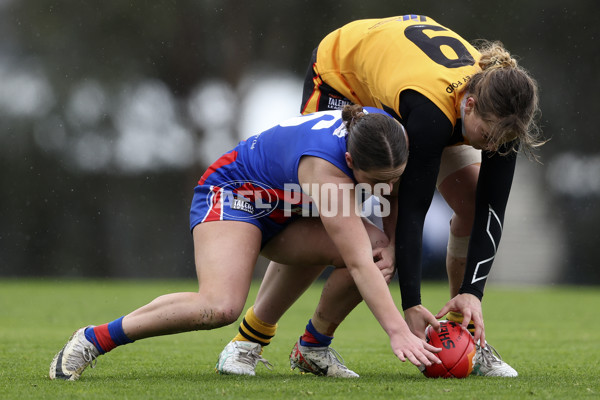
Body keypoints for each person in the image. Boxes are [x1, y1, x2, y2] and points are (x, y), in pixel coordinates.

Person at [216, 15, 544, 378]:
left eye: (502, 140)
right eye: (488, 137)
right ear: (469, 106)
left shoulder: (501, 118)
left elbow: (491, 210)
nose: (494, 146)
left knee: (468, 202)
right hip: (341, 79)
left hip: (408, 87)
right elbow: (414, 209)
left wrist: (472, 294)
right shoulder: (431, 116)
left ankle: (462, 332)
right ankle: (251, 339)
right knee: (347, 232)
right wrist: (412, 303)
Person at [48, 105, 444, 381]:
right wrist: (397, 330)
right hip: (235, 196)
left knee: (376, 250)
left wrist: (391, 240)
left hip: (289, 204)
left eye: (394, 177)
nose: (387, 189)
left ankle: (311, 348)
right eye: (376, 181)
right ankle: (95, 338)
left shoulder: (390, 138)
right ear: (349, 160)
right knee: (218, 307)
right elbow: (357, 263)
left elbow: (390, 194)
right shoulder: (326, 171)